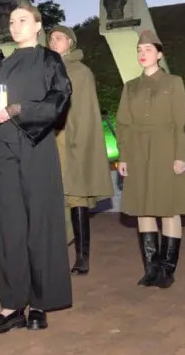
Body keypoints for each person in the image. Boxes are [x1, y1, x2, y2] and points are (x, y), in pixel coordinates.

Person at [0, 0, 72, 335]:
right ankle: (12, 304)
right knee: (10, 226)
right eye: (11, 22)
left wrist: (18, 109)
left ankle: (41, 303)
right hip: (5, 149)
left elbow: (60, 99)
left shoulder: (50, 60)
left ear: (36, 25)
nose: (14, 26)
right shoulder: (3, 65)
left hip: (37, 145)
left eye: (21, 20)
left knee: (40, 224)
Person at [115, 30, 185, 288]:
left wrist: (180, 155)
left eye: (148, 49)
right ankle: (151, 268)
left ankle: (168, 269)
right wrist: (123, 156)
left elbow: (182, 122)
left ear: (159, 54)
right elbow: (123, 124)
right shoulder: (130, 87)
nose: (142, 54)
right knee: (142, 208)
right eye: (139, 50)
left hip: (165, 149)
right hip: (137, 151)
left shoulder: (173, 83)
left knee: (169, 208)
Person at [48, 25, 114, 276]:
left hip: (73, 141)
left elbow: (85, 111)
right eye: (51, 38)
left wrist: (79, 139)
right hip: (50, 142)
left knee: (77, 197)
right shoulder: (47, 68)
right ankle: (54, 252)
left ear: (71, 42)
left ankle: (82, 257)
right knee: (54, 197)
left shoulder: (81, 72)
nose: (54, 42)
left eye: (59, 38)